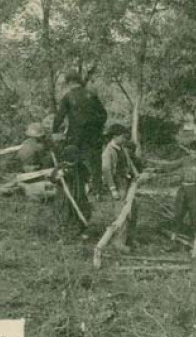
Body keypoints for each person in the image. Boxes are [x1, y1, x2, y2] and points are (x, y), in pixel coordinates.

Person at [53, 72, 108, 198]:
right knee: (95, 162)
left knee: (74, 161)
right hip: (95, 135)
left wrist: (54, 131)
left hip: (76, 136)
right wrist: (95, 126)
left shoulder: (68, 97)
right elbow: (104, 114)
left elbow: (59, 117)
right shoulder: (92, 95)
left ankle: (79, 189)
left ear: (70, 82)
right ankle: (97, 191)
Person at [101, 124, 140, 252]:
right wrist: (113, 190)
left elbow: (130, 163)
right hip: (119, 184)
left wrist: (135, 174)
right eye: (122, 136)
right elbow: (107, 171)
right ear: (115, 136)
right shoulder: (108, 152)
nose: (124, 139)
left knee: (133, 210)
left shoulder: (122, 148)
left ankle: (130, 238)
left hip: (128, 183)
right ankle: (118, 242)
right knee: (121, 214)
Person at [170, 140, 196, 239]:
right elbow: (170, 166)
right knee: (178, 215)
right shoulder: (184, 160)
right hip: (184, 190)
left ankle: (194, 241)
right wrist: (154, 168)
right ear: (189, 151)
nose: (194, 154)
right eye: (192, 152)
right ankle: (174, 239)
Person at [50, 144, 91, 236]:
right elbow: (52, 179)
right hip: (65, 194)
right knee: (65, 211)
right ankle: (64, 232)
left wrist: (87, 185)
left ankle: (81, 230)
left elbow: (87, 177)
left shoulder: (80, 166)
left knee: (83, 209)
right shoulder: (61, 166)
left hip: (79, 192)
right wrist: (58, 176)